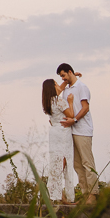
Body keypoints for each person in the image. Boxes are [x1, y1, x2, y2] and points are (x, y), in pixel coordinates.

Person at [58, 62, 98, 203]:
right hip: (70, 131)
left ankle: (93, 194)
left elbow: (85, 107)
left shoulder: (82, 87)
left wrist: (74, 120)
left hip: (82, 129)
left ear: (69, 71)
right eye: (61, 77)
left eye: (63, 75)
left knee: (87, 162)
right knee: (77, 165)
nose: (62, 78)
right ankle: (86, 194)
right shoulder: (66, 90)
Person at [41, 76, 76, 204]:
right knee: (63, 161)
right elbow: (71, 115)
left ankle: (58, 195)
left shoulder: (47, 102)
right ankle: (55, 192)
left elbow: (60, 89)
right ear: (52, 87)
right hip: (62, 132)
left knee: (56, 161)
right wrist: (70, 102)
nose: (58, 85)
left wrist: (68, 79)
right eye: (56, 84)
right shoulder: (59, 101)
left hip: (54, 132)